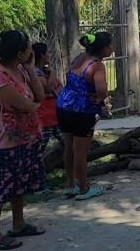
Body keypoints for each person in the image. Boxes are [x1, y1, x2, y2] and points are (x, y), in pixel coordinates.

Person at [0, 30, 46, 250]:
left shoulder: (20, 69)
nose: (32, 50)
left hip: (26, 137)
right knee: (0, 187)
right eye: (28, 47)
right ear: (19, 52)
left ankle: (18, 224)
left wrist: (30, 69)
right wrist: (35, 106)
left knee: (18, 184)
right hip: (6, 141)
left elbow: (40, 96)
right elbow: (23, 104)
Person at [56, 32, 113, 201]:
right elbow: (101, 90)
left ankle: (70, 184)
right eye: (110, 45)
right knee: (80, 151)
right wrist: (102, 97)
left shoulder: (79, 58)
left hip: (63, 105)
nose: (112, 48)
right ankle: (83, 188)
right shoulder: (97, 66)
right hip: (82, 109)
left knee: (68, 147)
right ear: (103, 48)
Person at [32, 43, 63, 153]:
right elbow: (48, 88)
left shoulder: (45, 71)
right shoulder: (35, 72)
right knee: (38, 149)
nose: (49, 55)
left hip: (53, 114)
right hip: (44, 116)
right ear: (42, 55)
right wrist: (52, 74)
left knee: (68, 142)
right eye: (47, 52)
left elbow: (59, 87)